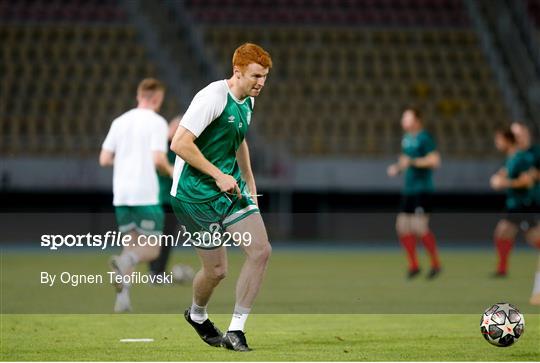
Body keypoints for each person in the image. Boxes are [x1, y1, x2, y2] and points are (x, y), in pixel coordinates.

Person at [169, 43, 272, 351]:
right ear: (237, 72)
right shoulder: (212, 97)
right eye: (256, 75)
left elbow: (238, 140)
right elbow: (179, 143)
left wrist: (249, 180)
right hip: (194, 195)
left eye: (265, 76)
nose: (261, 83)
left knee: (261, 251)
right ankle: (197, 315)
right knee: (217, 271)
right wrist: (217, 174)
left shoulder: (249, 101)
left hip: (230, 188)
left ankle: (236, 331)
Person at [99, 78, 173, 312]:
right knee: (152, 249)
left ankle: (122, 301)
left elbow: (104, 159)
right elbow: (158, 159)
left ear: (139, 95)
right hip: (145, 194)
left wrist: (125, 159)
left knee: (130, 245)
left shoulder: (119, 122)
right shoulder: (157, 122)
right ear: (157, 99)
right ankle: (125, 262)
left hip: (121, 194)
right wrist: (173, 173)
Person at [387, 107, 442, 279]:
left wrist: (412, 161)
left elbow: (435, 161)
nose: (403, 120)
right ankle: (414, 265)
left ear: (417, 120)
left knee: (419, 227)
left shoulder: (424, 137)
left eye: (407, 117)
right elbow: (406, 162)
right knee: (402, 227)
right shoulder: (407, 139)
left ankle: (435, 264)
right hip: (409, 190)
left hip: (422, 189)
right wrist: (397, 168)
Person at [148, 115, 194, 284]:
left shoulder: (173, 149)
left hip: (164, 199)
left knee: (161, 238)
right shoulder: (166, 149)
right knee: (163, 238)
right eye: (175, 127)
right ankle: (156, 273)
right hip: (164, 199)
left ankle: (156, 272)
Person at [490, 126, 538, 279]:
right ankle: (502, 269)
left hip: (524, 203)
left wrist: (505, 183)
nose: (497, 143)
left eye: (499, 140)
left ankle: (502, 269)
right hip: (515, 204)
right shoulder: (513, 157)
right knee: (502, 233)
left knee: (533, 237)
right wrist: (497, 178)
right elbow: (505, 172)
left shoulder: (521, 158)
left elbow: (527, 181)